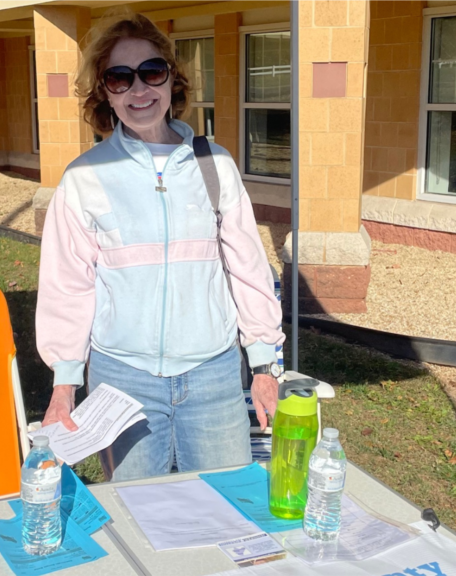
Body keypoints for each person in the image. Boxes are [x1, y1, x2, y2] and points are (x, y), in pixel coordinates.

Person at [36, 14, 285, 482]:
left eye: (151, 72)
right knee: (140, 515)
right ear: (104, 93)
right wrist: (64, 385)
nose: (139, 90)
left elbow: (248, 269)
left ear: (173, 78)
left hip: (213, 374)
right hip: (123, 381)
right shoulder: (83, 177)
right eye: (119, 78)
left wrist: (263, 364)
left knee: (227, 511)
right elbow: (67, 287)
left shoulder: (215, 165)